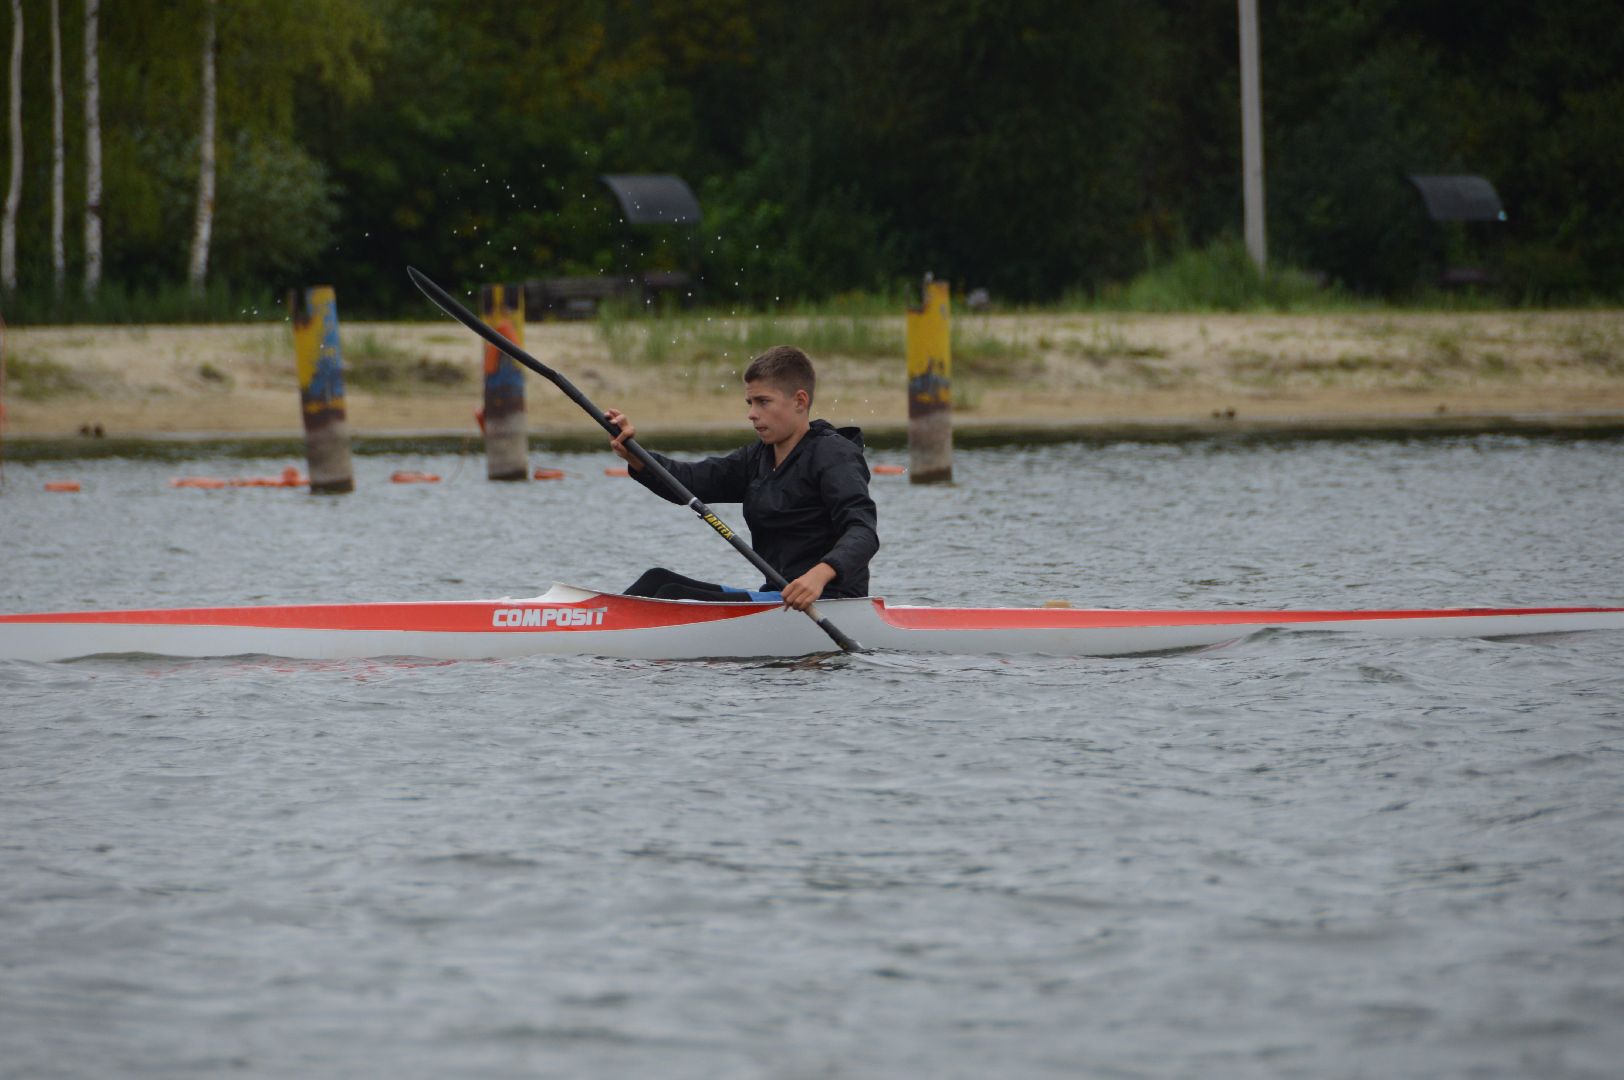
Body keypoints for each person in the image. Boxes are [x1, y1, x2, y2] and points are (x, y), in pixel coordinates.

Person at [605, 345, 878, 612]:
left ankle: (600, 641)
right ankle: (591, 625)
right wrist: (635, 454)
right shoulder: (758, 457)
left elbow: (862, 531)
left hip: (829, 602)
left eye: (763, 401)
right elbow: (689, 481)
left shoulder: (834, 455)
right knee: (657, 580)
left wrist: (820, 574)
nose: (752, 414)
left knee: (673, 596)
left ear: (800, 401)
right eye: (750, 402)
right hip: (779, 599)